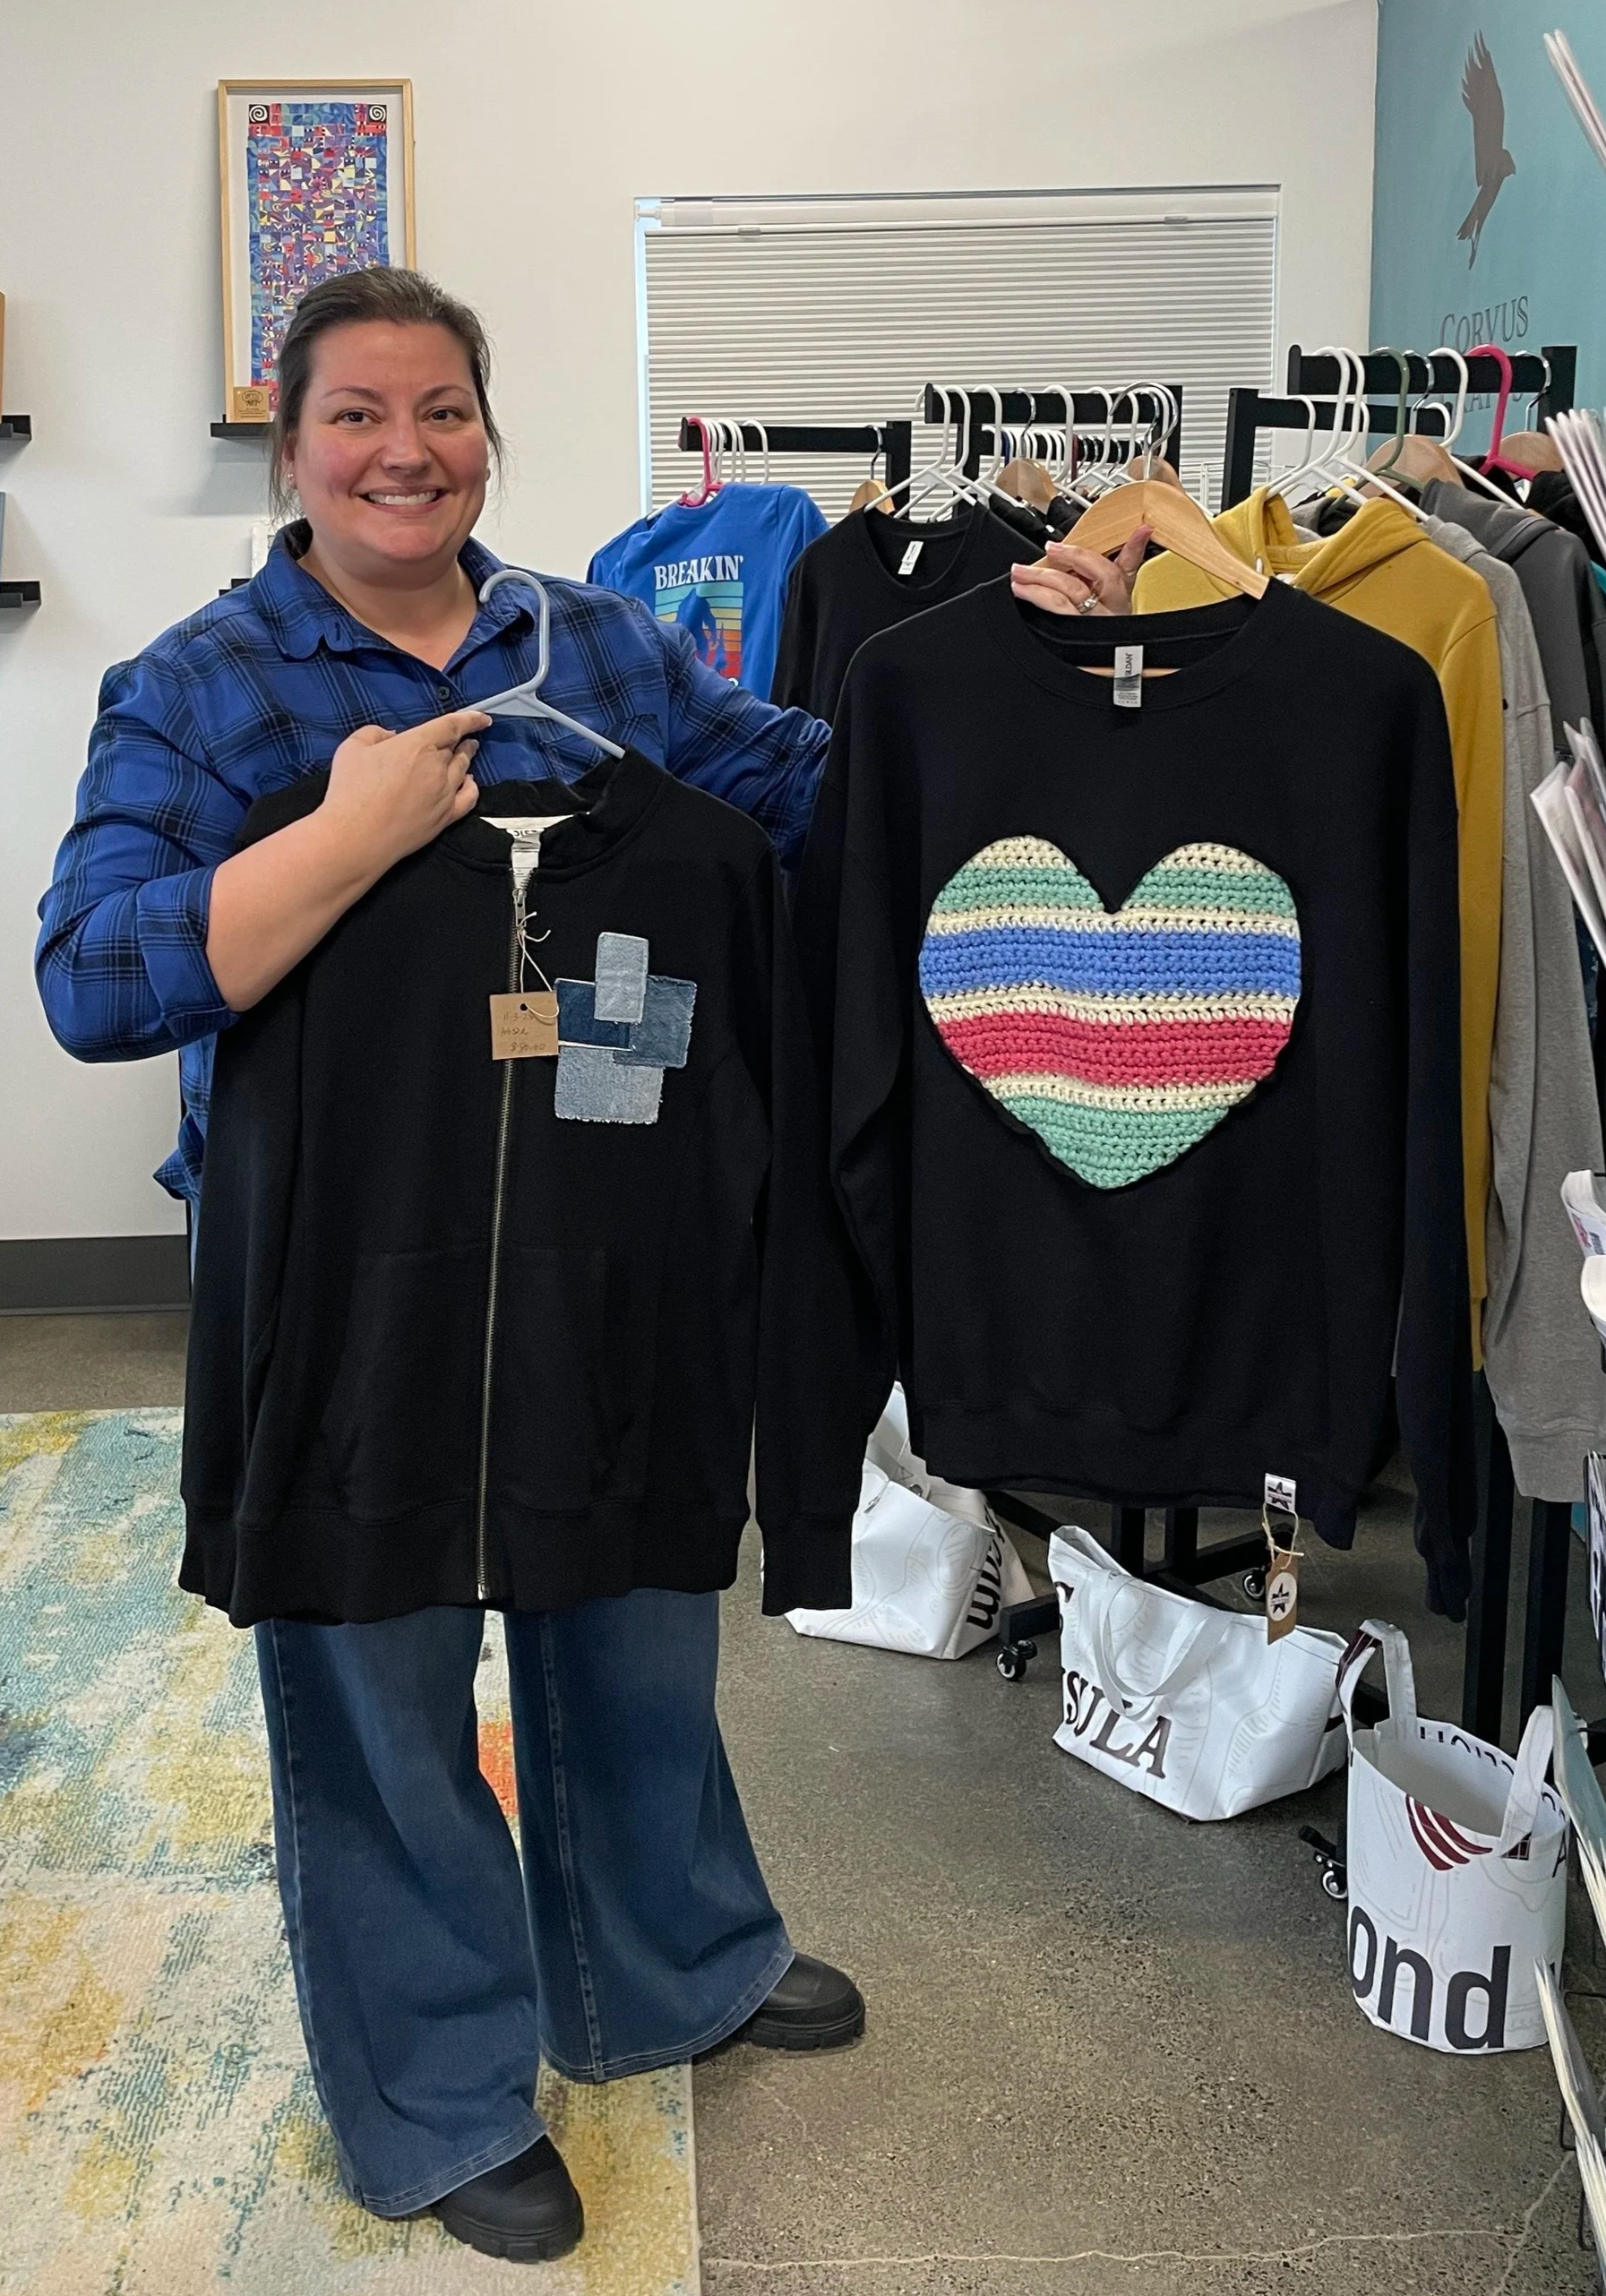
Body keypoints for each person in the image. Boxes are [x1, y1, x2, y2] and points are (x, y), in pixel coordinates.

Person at [35, 265, 1135, 2266]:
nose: (405, 452)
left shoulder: (599, 644)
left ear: (488, 430)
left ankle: (671, 1962)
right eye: (357, 413)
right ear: (290, 447)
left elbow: (812, 794)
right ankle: (441, 2093)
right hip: (346, 1267)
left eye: (442, 409)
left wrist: (1012, 659)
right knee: (375, 1676)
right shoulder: (207, 685)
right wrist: (348, 835)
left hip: (617, 1226)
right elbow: (94, 981)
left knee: (631, 1610)